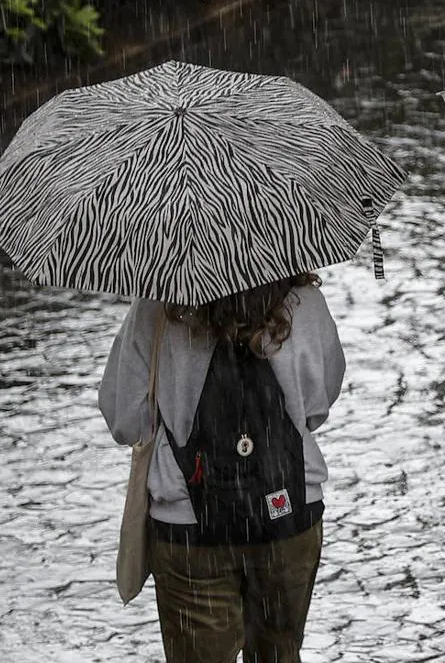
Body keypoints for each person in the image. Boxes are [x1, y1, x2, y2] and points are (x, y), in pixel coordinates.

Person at [99, 272, 345, 663]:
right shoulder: (304, 302)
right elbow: (319, 405)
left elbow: (124, 419)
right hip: (288, 513)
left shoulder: (156, 308)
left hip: (189, 528)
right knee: (279, 654)